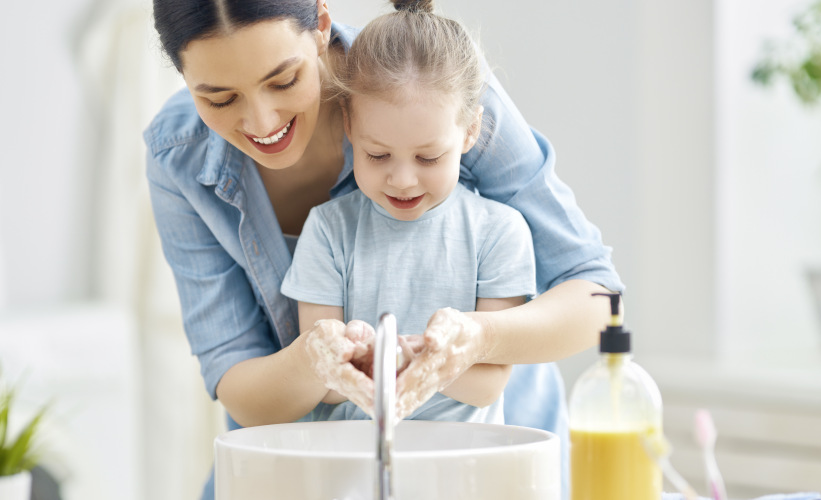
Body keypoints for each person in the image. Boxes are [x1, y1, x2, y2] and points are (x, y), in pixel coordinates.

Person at [144, 0, 624, 497]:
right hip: (310, 460)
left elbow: (597, 297)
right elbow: (235, 377)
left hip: (486, 454)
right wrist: (311, 361)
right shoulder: (177, 153)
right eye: (220, 99)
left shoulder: (431, 79)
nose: (262, 120)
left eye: (284, 81)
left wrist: (477, 340)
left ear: (321, 24)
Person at [280, 0, 535, 425]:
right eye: (377, 155)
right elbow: (322, 380)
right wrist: (402, 357)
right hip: (353, 470)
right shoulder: (328, 231)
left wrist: (399, 355)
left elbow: (486, 384)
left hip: (462, 471)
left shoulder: (499, 233)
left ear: (470, 130)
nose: (402, 180)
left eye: (429, 158)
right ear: (349, 126)